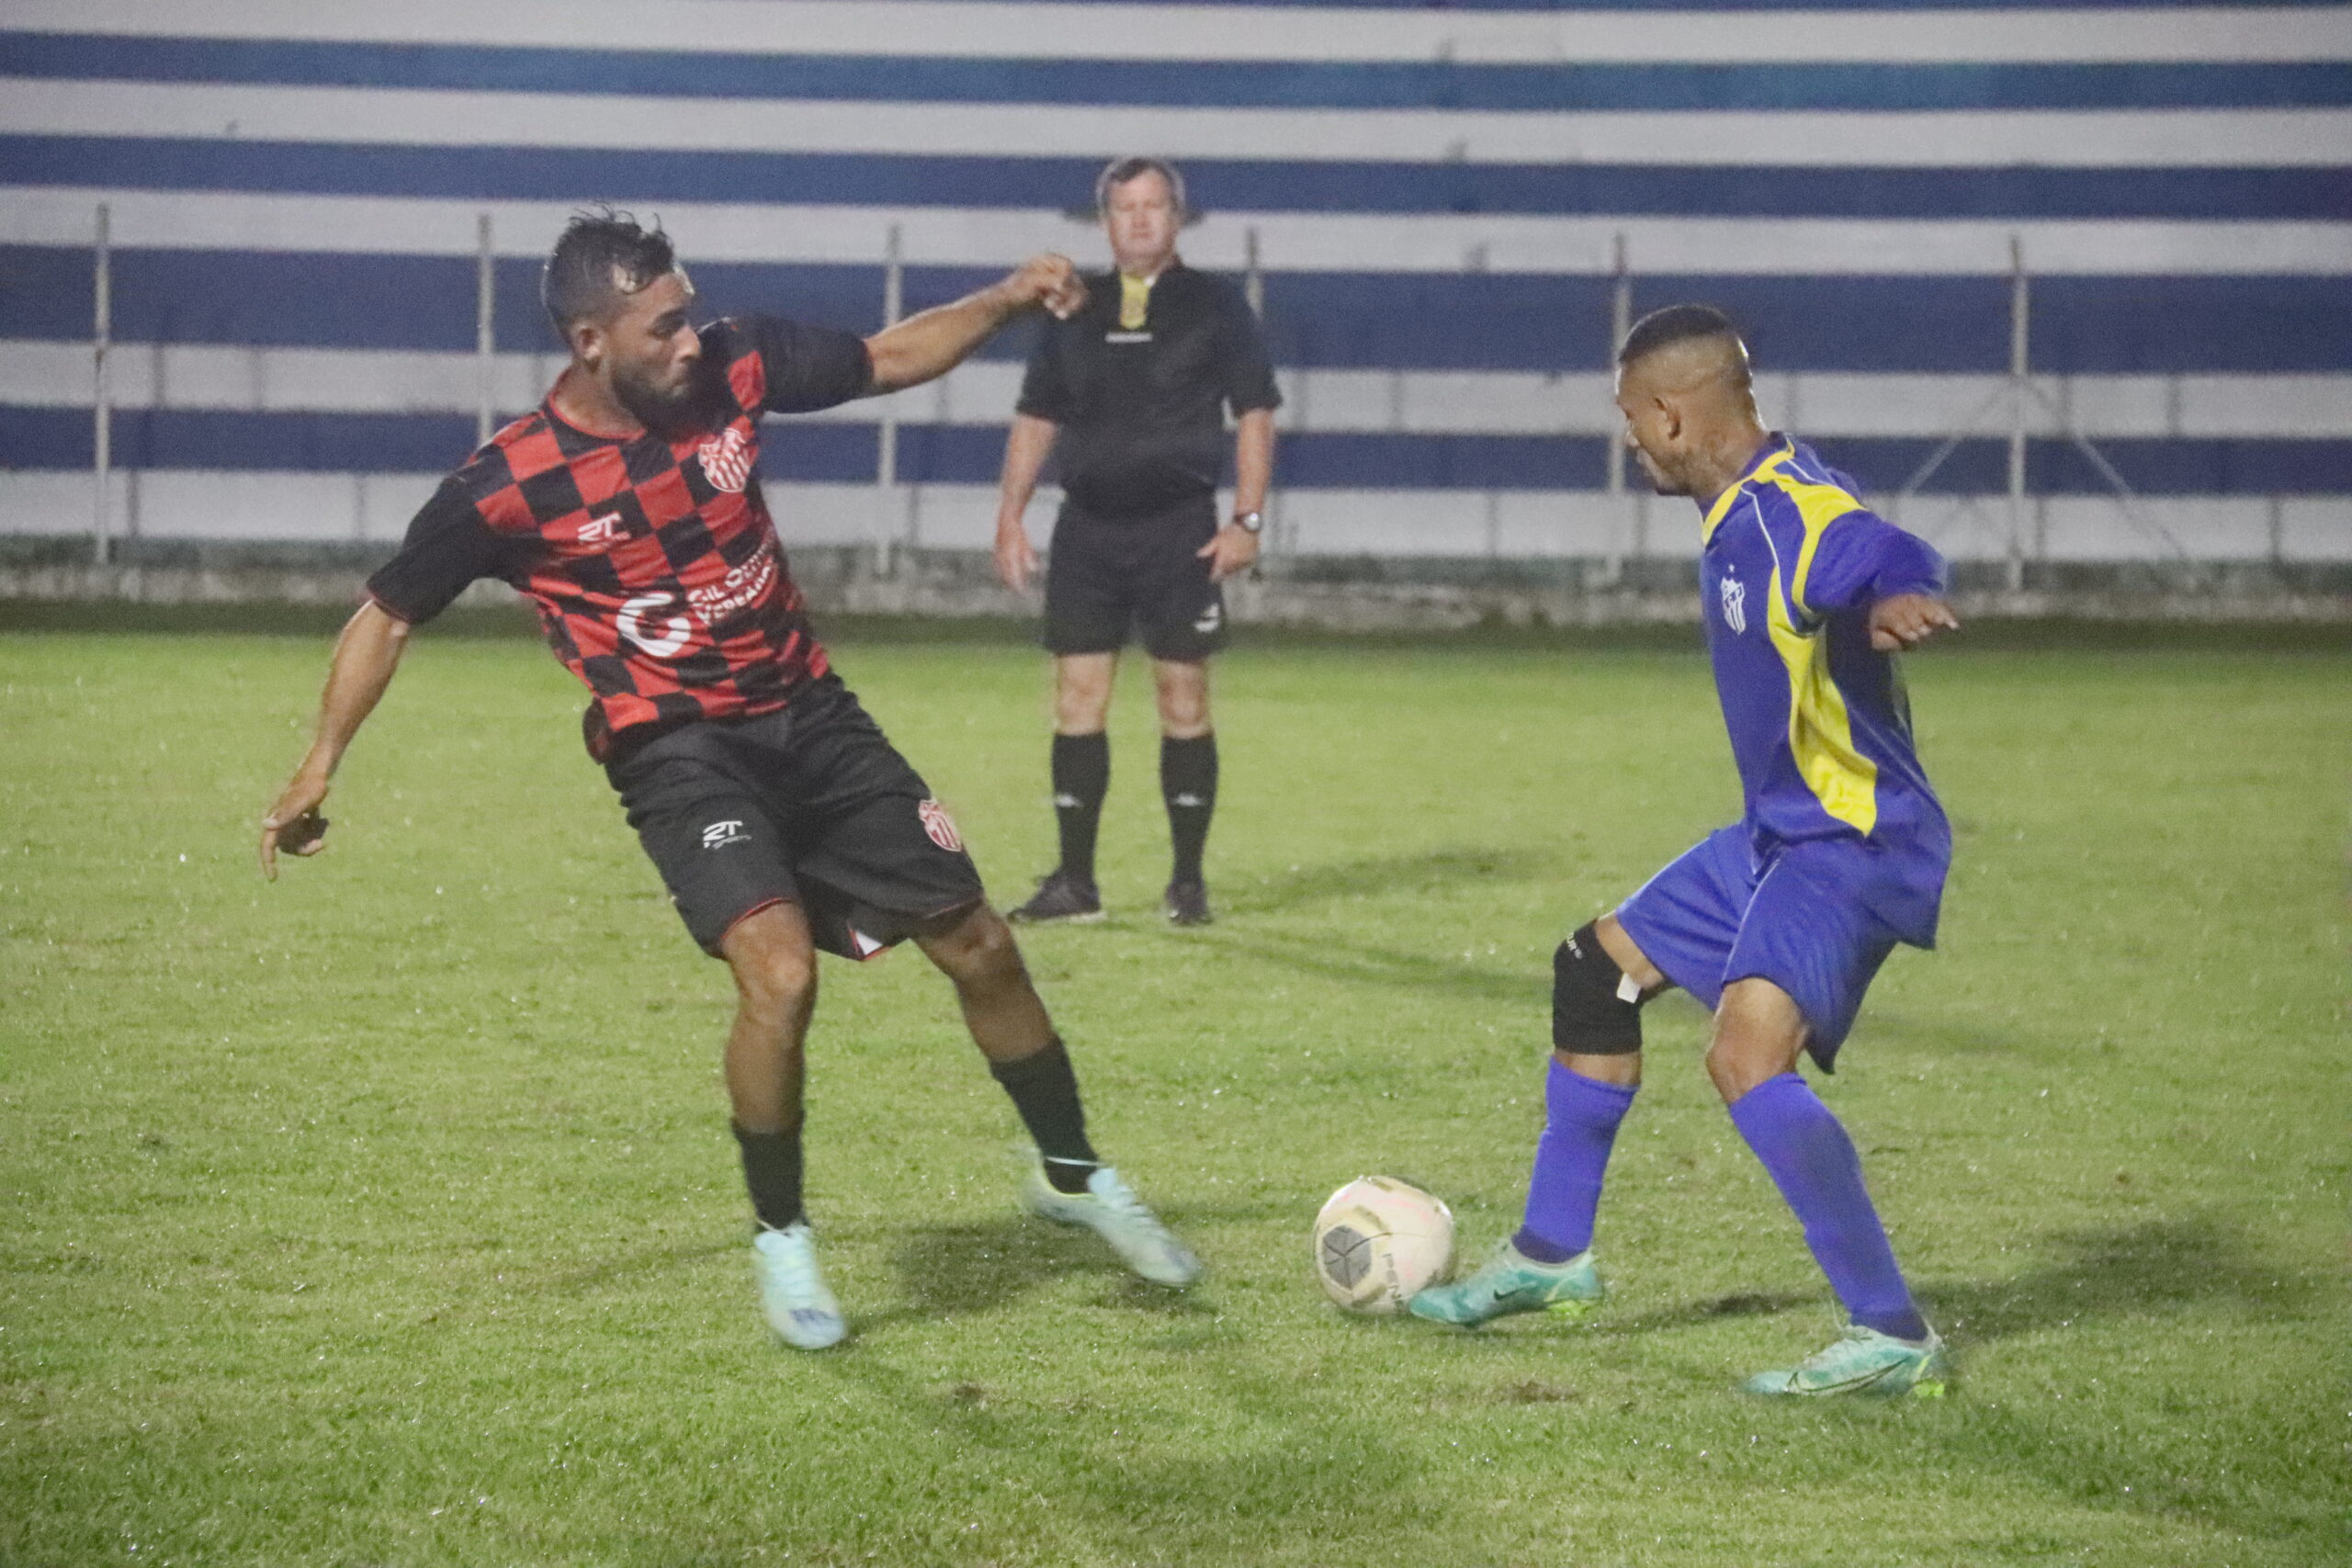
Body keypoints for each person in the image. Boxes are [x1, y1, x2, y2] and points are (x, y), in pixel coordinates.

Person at [259, 211, 1200, 1353]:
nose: (691, 340)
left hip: (810, 714)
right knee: (781, 976)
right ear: (591, 341)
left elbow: (889, 356)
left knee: (982, 946)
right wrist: (321, 761)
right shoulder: (510, 484)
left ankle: (1070, 1174)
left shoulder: (738, 362)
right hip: (678, 751)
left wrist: (1005, 298)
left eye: (691, 311)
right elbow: (388, 613)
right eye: (664, 326)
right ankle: (783, 1237)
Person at [1408, 305, 1963, 1399]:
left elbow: (1871, 543)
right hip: (1777, 834)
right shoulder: (1745, 505)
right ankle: (1553, 1256)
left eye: (1629, 419)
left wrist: (1900, 585)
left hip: (1849, 842)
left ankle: (1890, 1333)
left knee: (1744, 1058)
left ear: (1670, 414)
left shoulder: (1788, 516)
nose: (1628, 442)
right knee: (1594, 971)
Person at [993, 156, 1280, 928]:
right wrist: (1010, 516)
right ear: (1106, 221)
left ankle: (1187, 881)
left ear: (1177, 219)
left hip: (1180, 530)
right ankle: (1074, 882)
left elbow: (1254, 412)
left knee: (1181, 697)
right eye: (1125, 208)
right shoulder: (1071, 309)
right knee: (1076, 698)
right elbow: (1036, 416)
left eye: (1155, 206)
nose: (1141, 219)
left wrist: (1246, 521)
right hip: (1087, 528)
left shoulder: (1217, 305)